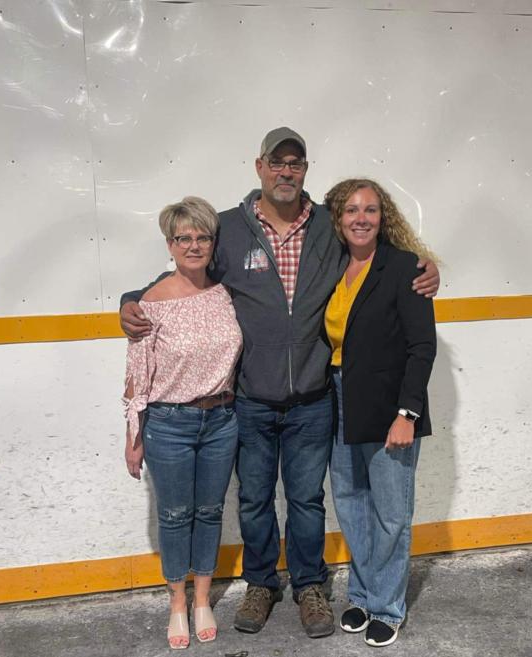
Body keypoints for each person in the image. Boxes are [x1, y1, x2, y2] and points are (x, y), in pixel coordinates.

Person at [120, 127, 440, 639]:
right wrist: (130, 299)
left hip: (314, 399)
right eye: (277, 162)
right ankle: (261, 583)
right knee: (253, 499)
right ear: (260, 167)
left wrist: (424, 270)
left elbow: (376, 254)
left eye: (296, 163)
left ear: (305, 170)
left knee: (308, 498)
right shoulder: (227, 229)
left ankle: (311, 586)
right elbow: (184, 269)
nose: (286, 171)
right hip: (250, 400)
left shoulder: (329, 231)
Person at [123, 197, 242, 649]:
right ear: (169, 245)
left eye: (202, 237)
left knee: (210, 512)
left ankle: (203, 600)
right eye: (184, 238)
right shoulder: (148, 304)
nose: (194, 245)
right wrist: (133, 436)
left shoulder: (224, 293)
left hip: (221, 420)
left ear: (213, 242)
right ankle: (177, 603)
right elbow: (137, 374)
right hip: (168, 423)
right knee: (175, 516)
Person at [324, 178, 437, 647]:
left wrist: (407, 414)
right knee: (351, 503)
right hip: (336, 398)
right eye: (351, 210)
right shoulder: (330, 264)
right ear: (338, 219)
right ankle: (364, 594)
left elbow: (422, 346)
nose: (361, 218)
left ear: (382, 215)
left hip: (390, 405)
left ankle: (388, 607)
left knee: (391, 512)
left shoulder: (404, 267)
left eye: (370, 209)